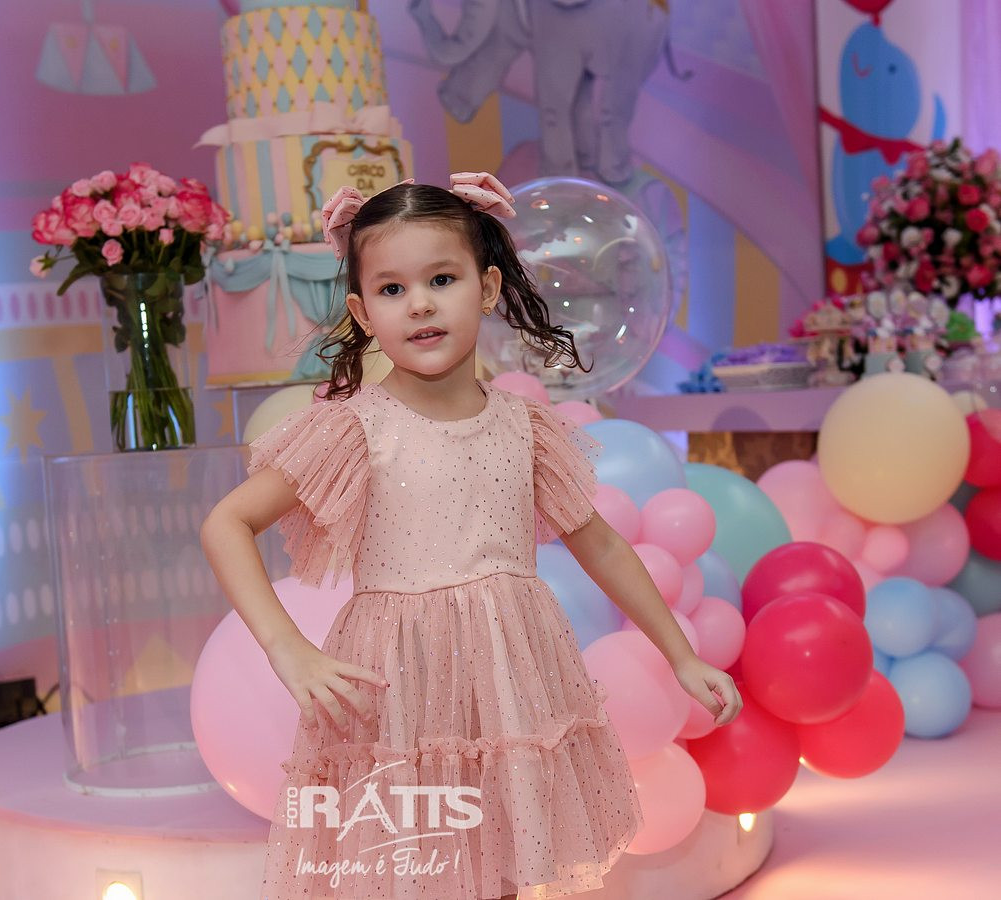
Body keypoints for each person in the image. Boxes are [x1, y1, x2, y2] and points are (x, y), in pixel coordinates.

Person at [200, 172, 742, 900]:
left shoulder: (525, 427)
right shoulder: (354, 427)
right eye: (391, 289)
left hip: (511, 681)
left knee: (508, 863)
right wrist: (286, 648)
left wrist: (680, 656)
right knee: (415, 868)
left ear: (486, 288)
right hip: (401, 689)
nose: (419, 303)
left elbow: (604, 545)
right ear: (362, 312)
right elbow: (226, 523)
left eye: (441, 279)